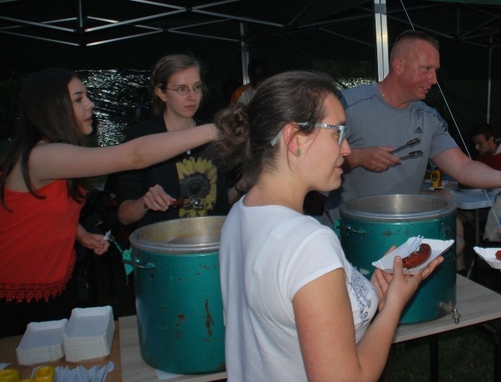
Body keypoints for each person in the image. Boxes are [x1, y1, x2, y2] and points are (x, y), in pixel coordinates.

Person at [214, 70, 443, 382]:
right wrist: (393, 306)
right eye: (337, 133)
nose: (347, 149)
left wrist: (374, 292)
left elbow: (288, 319)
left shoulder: (240, 215)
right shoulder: (308, 243)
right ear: (294, 140)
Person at [0, 68, 218, 337]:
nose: (90, 104)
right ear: (52, 109)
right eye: (79, 99)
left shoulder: (55, 154)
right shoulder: (40, 156)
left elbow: (36, 209)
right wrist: (213, 130)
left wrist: (79, 234)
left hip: (58, 282)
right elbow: (134, 156)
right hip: (17, 293)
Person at [322, 30, 501, 271]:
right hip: (346, 237)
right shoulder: (347, 105)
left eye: (436, 70)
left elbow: (462, 167)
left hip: (403, 236)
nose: (434, 79)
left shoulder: (428, 118)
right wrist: (357, 157)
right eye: (426, 69)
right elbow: (308, 159)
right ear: (398, 65)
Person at [115, 54, 237, 231]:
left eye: (197, 87)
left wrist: (243, 186)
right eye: (182, 89)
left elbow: (220, 203)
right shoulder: (142, 138)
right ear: (161, 93)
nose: (192, 97)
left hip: (209, 245)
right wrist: (145, 202)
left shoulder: (214, 137)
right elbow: (124, 215)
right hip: (165, 250)